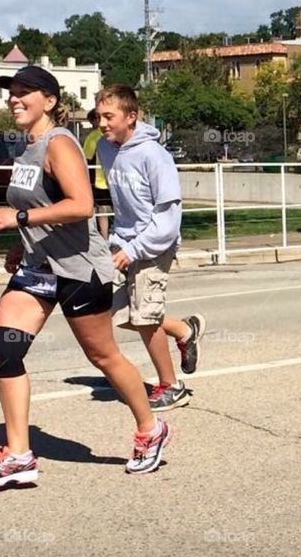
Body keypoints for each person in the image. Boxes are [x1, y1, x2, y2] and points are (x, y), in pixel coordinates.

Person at [0, 66, 170, 488]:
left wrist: (19, 216)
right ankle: (20, 454)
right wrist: (23, 240)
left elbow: (80, 205)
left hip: (80, 269)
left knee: (103, 357)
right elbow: (45, 207)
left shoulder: (59, 143)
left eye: (26, 92)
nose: (15, 99)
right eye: (11, 93)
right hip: (38, 269)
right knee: (5, 352)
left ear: (50, 101)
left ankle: (150, 430)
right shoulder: (27, 148)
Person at [95, 85, 206, 412]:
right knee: (111, 316)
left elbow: (167, 218)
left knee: (144, 318)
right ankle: (183, 329)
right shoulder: (105, 147)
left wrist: (136, 248)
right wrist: (119, 242)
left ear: (131, 117)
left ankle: (172, 386)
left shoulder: (155, 156)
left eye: (109, 116)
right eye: (98, 116)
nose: (102, 123)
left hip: (155, 245)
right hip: (124, 244)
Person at [82, 109, 110, 238]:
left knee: (100, 210)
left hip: (98, 180)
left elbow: (86, 158)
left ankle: (103, 237)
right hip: (112, 178)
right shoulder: (111, 134)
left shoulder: (93, 137)